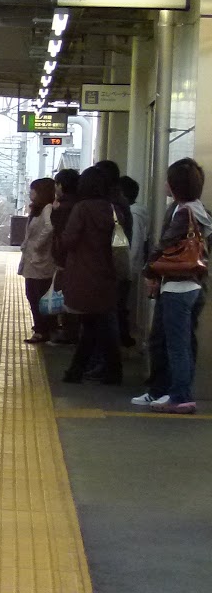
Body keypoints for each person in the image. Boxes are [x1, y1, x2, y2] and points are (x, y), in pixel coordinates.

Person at [133, 158, 210, 414]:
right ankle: (163, 391)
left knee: (175, 345)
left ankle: (179, 395)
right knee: (171, 341)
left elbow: (165, 245)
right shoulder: (200, 211)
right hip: (191, 286)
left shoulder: (183, 213)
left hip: (179, 287)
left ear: (175, 185)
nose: (165, 183)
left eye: (168, 179)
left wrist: (149, 271)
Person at [55, 165, 122, 384]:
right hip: (108, 273)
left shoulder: (82, 208)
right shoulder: (113, 209)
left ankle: (94, 371)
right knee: (98, 323)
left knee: (92, 325)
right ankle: (90, 371)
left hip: (83, 274)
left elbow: (69, 240)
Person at [18, 178, 58, 343]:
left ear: (41, 191)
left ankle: (42, 330)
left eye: (33, 190)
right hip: (34, 260)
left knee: (36, 295)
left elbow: (49, 227)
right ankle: (42, 327)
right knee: (33, 294)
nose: (30, 193)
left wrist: (37, 245)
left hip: (40, 261)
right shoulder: (38, 209)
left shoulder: (47, 208)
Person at [48, 168, 82, 343]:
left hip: (66, 259)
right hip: (75, 259)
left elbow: (60, 234)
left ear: (61, 185)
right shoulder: (79, 203)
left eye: (57, 184)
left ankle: (69, 333)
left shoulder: (64, 207)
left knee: (66, 296)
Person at [118, 175, 147, 347]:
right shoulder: (136, 211)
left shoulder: (133, 214)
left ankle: (125, 337)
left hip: (129, 268)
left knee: (124, 304)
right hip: (131, 267)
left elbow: (134, 245)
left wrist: (125, 268)